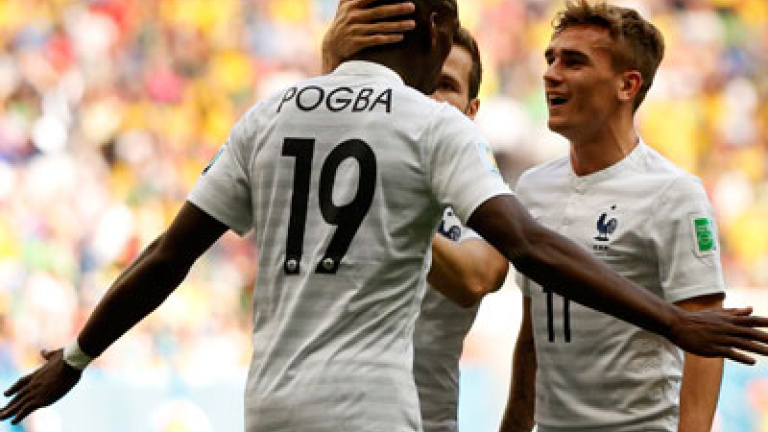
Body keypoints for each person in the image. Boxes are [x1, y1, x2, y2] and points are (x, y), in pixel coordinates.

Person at [2, 0, 768, 430]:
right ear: (433, 35)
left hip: (270, 408)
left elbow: (169, 255)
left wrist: (78, 357)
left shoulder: (270, 113)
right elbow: (529, 247)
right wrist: (671, 321)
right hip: (373, 411)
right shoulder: (435, 131)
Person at [499, 2, 729, 432]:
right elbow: (533, 332)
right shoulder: (531, 187)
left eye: (574, 62)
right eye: (551, 58)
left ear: (627, 85)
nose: (550, 73)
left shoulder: (674, 193)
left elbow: (705, 337)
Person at [322, 5, 509, 430]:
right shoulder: (344, 169)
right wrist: (334, 66)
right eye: (414, 82)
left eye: (445, 85)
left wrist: (389, 212)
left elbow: (476, 278)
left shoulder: (482, 196)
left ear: (471, 111)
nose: (424, 96)